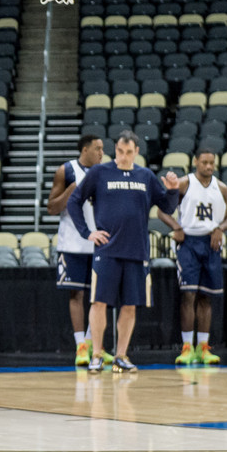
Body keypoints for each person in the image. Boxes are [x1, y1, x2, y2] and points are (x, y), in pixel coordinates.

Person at [67, 130, 179, 374]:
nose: (124, 156)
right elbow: (73, 201)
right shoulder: (99, 172)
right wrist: (87, 232)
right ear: (114, 150)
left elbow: (168, 207)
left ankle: (121, 355)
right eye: (120, 151)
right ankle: (96, 354)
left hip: (137, 251)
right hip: (106, 250)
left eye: (129, 152)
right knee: (99, 302)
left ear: (136, 152)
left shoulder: (146, 176)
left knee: (130, 305)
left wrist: (172, 190)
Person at [156, 148, 227, 366]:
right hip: (188, 242)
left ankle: (203, 348)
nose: (209, 166)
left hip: (211, 243)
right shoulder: (183, 183)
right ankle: (187, 347)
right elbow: (162, 210)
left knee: (207, 297)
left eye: (212, 163)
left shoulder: (222, 188)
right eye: (205, 162)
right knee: (188, 295)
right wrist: (176, 226)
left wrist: (220, 229)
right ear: (195, 161)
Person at [46, 134, 110, 367]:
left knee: (99, 297)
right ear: (85, 150)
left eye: (103, 149)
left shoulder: (105, 172)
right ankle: (80, 346)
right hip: (72, 243)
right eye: (97, 148)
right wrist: (70, 190)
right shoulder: (66, 171)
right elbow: (52, 208)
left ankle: (95, 345)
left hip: (99, 242)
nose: (102, 153)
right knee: (77, 294)